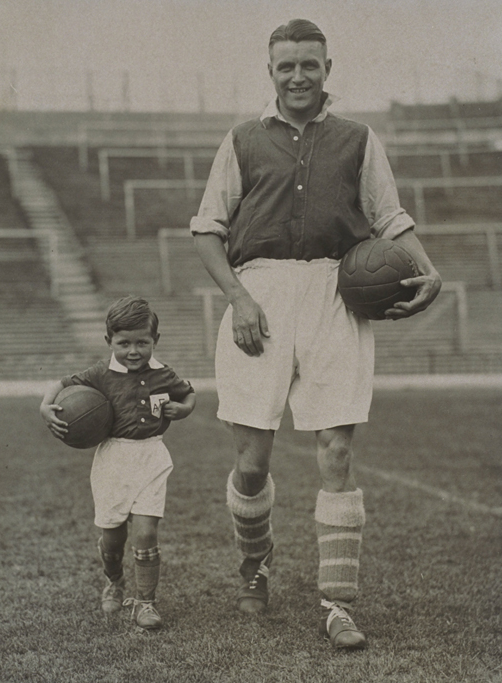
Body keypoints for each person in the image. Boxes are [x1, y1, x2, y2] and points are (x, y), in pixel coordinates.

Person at [191, 18, 441, 649]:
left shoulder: (358, 139)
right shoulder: (243, 139)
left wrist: (429, 267)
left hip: (336, 293)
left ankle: (338, 603)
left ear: (328, 68)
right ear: (269, 72)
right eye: (286, 66)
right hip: (260, 297)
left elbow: (389, 216)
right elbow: (206, 229)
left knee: (335, 449)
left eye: (309, 64)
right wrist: (239, 298)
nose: (298, 75)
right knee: (252, 462)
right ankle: (257, 567)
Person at [40, 296, 196, 629]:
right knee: (112, 537)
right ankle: (114, 579)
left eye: (143, 342)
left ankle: (146, 603)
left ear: (156, 340)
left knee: (145, 531)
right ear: (109, 341)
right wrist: (45, 406)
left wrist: (183, 409)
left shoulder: (163, 373)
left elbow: (188, 393)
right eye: (124, 343)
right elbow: (62, 384)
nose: (134, 350)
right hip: (113, 458)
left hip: (151, 456)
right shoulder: (100, 373)